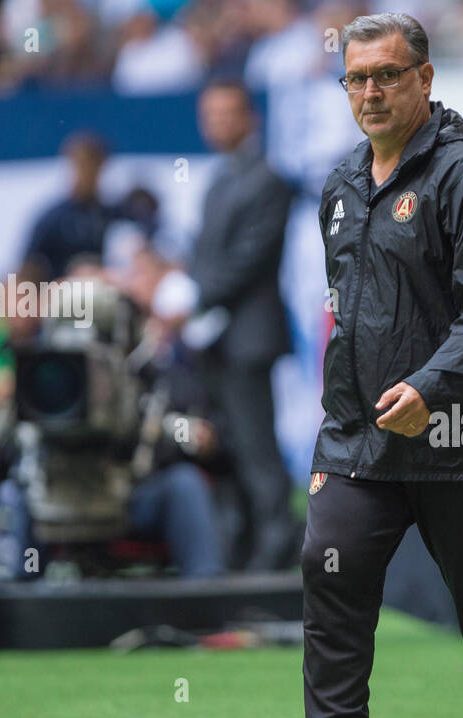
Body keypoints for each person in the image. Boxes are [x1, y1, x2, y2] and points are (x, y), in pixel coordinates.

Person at [268, 13, 463, 718]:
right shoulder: (342, 184)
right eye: (357, 77)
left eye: (388, 74)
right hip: (360, 438)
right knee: (329, 570)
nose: (372, 91)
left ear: (425, 78)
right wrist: (345, 416)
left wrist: (432, 390)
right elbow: (351, 316)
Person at [187, 77, 301, 572]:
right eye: (209, 115)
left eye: (226, 113)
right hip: (216, 340)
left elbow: (246, 261)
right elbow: (208, 257)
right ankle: (245, 543)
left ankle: (279, 549)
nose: (217, 124)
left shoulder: (267, 179)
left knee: (258, 449)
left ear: (249, 117)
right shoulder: (219, 180)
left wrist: (191, 296)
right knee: (230, 448)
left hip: (249, 340)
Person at [23, 133, 114, 280]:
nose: (86, 172)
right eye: (81, 165)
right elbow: (29, 267)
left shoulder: (114, 216)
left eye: (92, 164)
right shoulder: (53, 220)